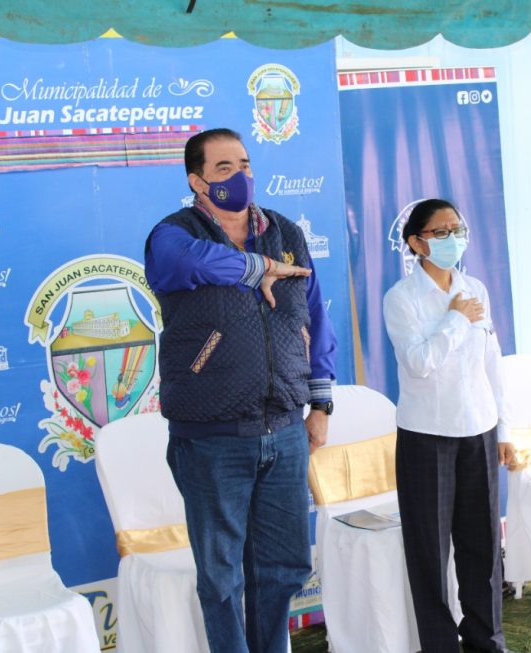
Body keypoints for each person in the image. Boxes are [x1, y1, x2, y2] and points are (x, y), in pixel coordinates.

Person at [144, 128, 337, 653]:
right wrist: (260, 268)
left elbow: (315, 318)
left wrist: (320, 403)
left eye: (245, 164)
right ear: (197, 181)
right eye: (224, 168)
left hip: (285, 430)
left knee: (284, 566)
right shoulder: (173, 236)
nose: (240, 176)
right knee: (222, 577)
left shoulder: (285, 231)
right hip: (212, 437)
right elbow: (193, 264)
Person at [383, 199, 516, 653]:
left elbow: (492, 362)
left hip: (478, 428)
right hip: (427, 437)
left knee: (483, 548)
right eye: (441, 232)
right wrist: (456, 318)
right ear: (417, 243)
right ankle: (441, 645)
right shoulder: (401, 298)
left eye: (457, 229)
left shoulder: (474, 287)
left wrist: (504, 430)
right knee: (430, 553)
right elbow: (419, 362)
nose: (453, 238)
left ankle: (487, 641)